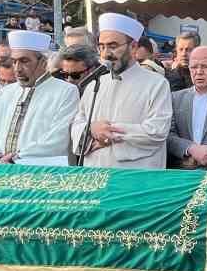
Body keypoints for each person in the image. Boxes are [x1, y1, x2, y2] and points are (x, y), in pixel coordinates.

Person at [70, 13, 172, 168]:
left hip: (135, 175)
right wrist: (91, 129)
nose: (105, 54)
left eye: (113, 46)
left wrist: (107, 132)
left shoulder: (156, 84)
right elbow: (77, 123)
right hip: (96, 171)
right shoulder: (93, 85)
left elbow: (157, 131)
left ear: (133, 47)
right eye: (102, 46)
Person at [0, 31, 80, 165]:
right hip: (0, 171)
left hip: (43, 174)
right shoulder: (4, 93)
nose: (17, 69)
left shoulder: (66, 92)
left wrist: (15, 160)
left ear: (43, 62)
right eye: (14, 62)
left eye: (24, 61)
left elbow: (58, 140)